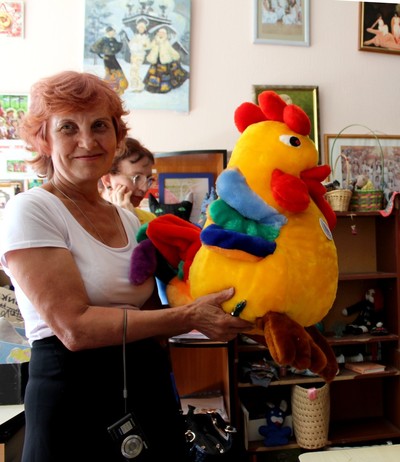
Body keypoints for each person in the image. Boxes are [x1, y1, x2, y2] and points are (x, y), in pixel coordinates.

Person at [0, 70, 252, 462]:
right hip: (73, 399)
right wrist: (190, 317)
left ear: (118, 137)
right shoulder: (31, 210)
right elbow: (74, 327)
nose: (88, 141)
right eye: (68, 127)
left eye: (100, 125)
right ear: (43, 139)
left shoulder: (128, 219)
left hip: (146, 388)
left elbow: (153, 317)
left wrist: (228, 309)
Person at [101, 136, 156, 225]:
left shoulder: (151, 220)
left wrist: (132, 221)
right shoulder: (88, 220)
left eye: (148, 180)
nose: (144, 188)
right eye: (136, 178)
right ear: (107, 179)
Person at [143, 26, 189, 94]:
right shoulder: (155, 41)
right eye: (160, 32)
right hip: (156, 60)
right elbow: (149, 46)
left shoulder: (166, 42)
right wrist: (145, 45)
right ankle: (153, 87)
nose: (161, 34)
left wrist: (176, 55)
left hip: (164, 60)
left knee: (164, 75)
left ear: (165, 34)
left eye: (163, 33)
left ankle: (164, 87)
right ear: (158, 33)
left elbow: (171, 50)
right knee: (154, 74)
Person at [90, 26, 128, 96]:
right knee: (110, 74)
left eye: (114, 32)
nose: (114, 33)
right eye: (112, 32)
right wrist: (101, 54)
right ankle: (107, 89)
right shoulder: (103, 39)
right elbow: (94, 47)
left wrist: (122, 42)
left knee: (118, 72)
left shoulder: (113, 39)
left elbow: (117, 47)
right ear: (108, 32)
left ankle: (117, 88)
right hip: (107, 59)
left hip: (113, 58)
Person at [128, 20, 151, 92]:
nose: (141, 29)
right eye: (140, 28)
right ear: (138, 29)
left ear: (145, 29)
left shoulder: (146, 37)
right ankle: (134, 85)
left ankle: (139, 86)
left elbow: (148, 46)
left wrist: (142, 46)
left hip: (140, 55)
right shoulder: (135, 36)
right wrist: (134, 46)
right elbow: (130, 44)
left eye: (142, 28)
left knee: (136, 69)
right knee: (132, 70)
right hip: (133, 54)